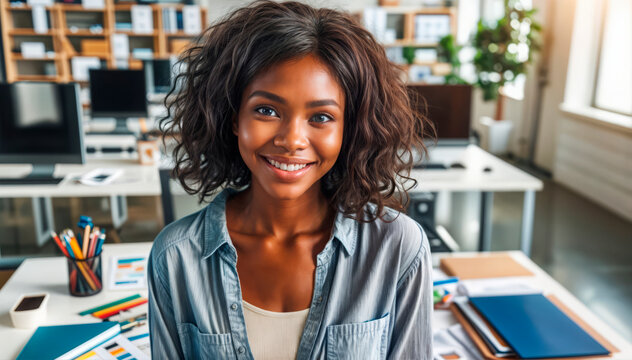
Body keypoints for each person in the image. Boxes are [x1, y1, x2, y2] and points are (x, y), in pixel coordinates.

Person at [148, 0, 433, 358]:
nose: (291, 140)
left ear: (349, 129)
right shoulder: (176, 257)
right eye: (266, 110)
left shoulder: (398, 248)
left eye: (321, 117)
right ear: (234, 117)